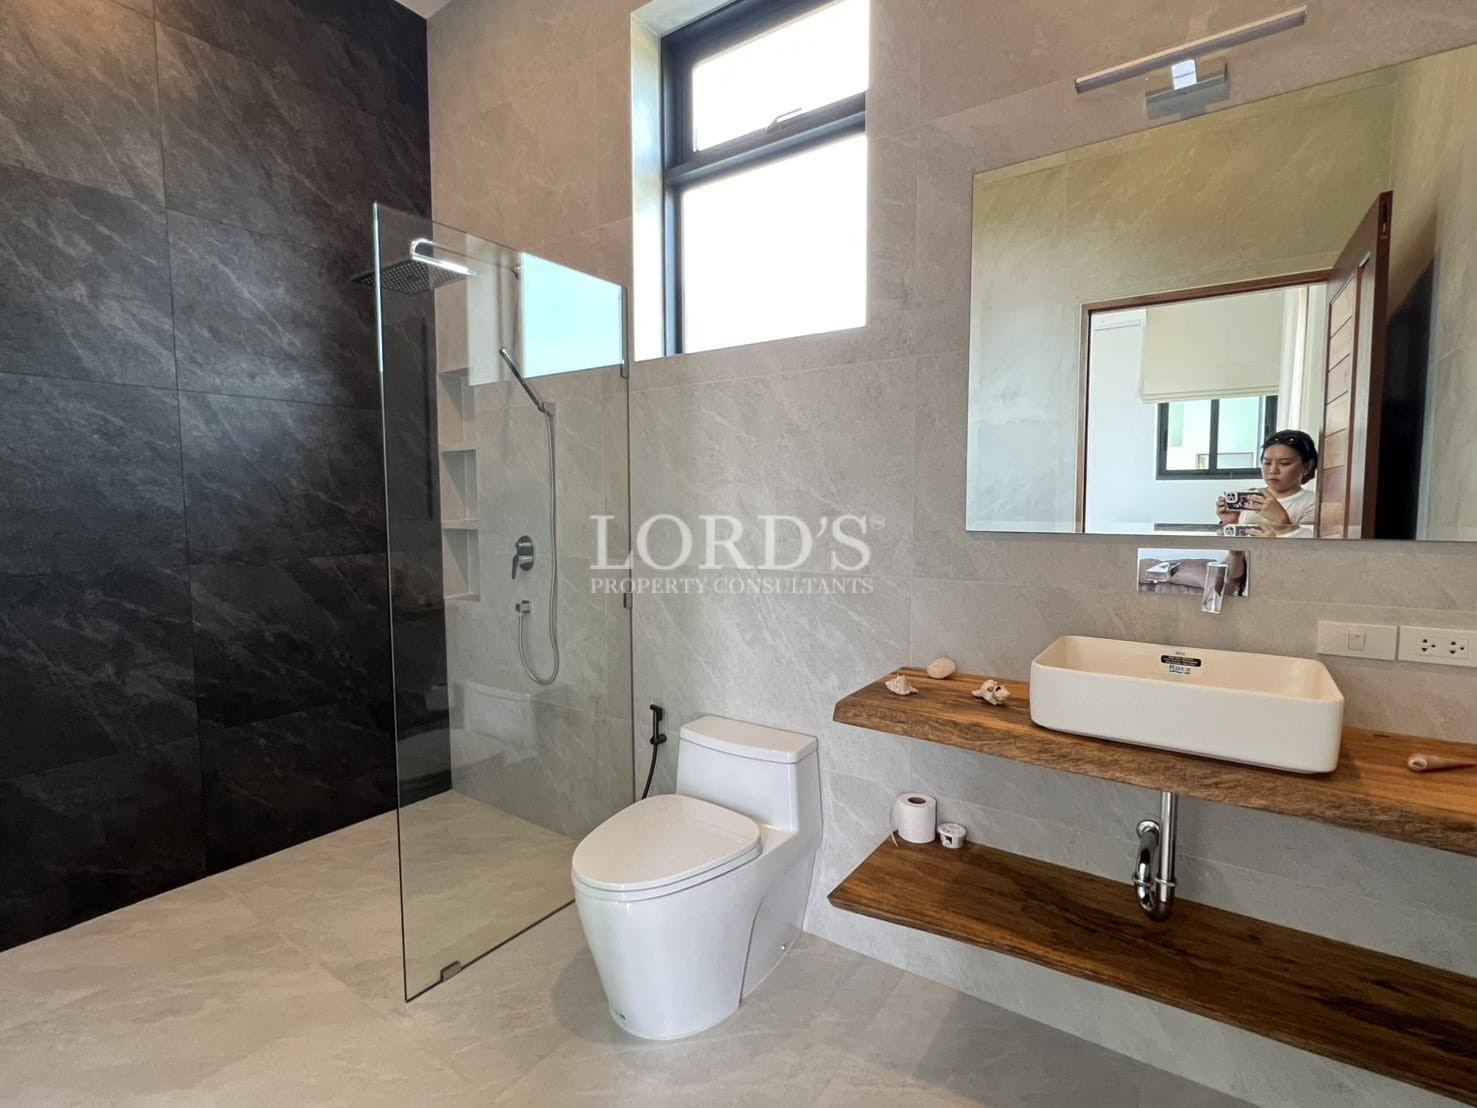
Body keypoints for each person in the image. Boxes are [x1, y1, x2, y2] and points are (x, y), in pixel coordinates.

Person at [1216, 430, 1319, 538]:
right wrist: (1232, 523)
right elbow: (1235, 549)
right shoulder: (1248, 497)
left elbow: (1311, 546)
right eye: (1267, 463)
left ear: (1307, 466)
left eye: (1284, 463)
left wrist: (1283, 524)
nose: (1273, 470)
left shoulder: (1313, 503)